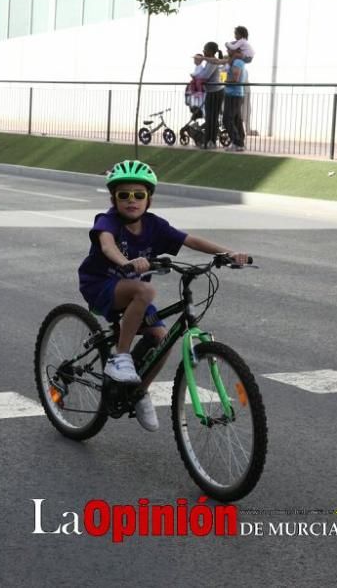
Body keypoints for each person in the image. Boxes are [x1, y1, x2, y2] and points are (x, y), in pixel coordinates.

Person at [77, 160, 249, 431]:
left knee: (161, 338)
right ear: (113, 199)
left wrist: (226, 254)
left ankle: (139, 392)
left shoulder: (154, 225)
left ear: (149, 200)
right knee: (146, 289)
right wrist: (127, 262)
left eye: (138, 195)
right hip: (100, 285)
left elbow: (189, 240)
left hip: (133, 291)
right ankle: (120, 358)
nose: (131, 200)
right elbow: (107, 245)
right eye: (124, 195)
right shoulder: (107, 221)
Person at [191, 42, 224, 149]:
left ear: (210, 51)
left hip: (216, 93)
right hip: (211, 92)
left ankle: (212, 141)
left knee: (212, 118)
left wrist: (196, 76)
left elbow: (205, 76)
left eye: (205, 49)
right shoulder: (209, 62)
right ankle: (208, 140)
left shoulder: (213, 62)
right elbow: (202, 75)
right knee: (209, 117)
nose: (203, 51)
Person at [221, 46, 248, 151]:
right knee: (236, 119)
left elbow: (235, 79)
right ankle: (240, 142)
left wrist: (225, 81)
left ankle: (237, 143)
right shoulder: (233, 63)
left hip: (234, 94)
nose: (227, 51)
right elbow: (222, 78)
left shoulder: (237, 63)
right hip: (233, 94)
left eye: (229, 49)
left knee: (227, 119)